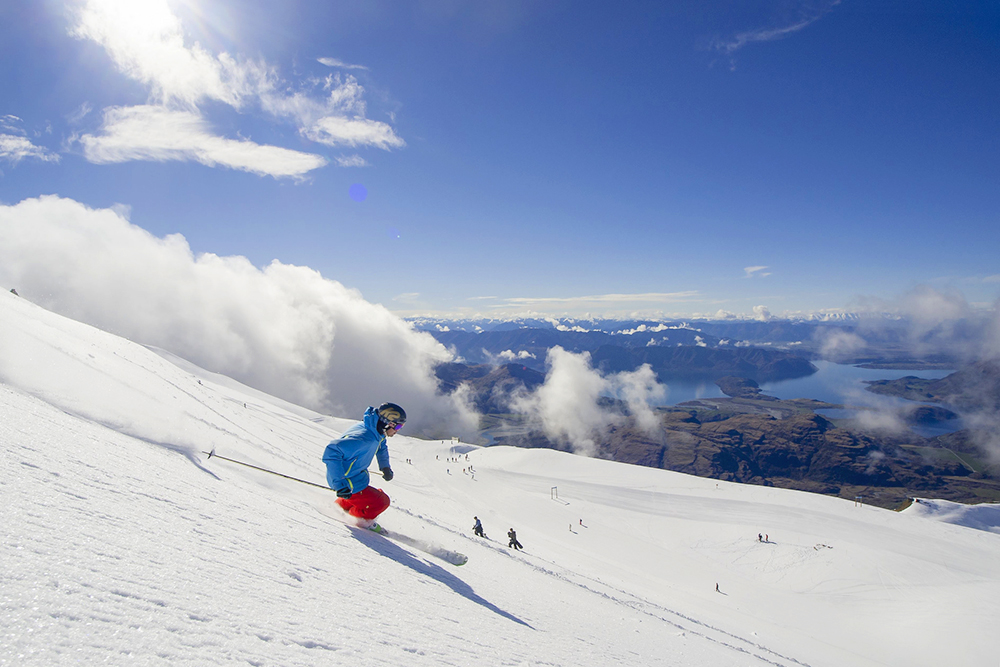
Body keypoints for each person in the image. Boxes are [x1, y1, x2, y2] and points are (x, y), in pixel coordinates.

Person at [323, 402, 405, 528]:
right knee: (381, 502)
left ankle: (340, 506)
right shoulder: (366, 437)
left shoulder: (375, 430)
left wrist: (385, 467)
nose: (397, 431)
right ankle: (357, 519)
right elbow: (332, 451)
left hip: (354, 477)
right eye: (398, 427)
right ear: (389, 423)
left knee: (373, 495)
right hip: (346, 480)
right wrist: (339, 485)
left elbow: (381, 445)